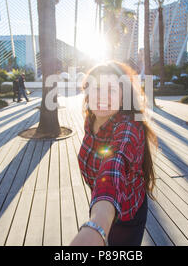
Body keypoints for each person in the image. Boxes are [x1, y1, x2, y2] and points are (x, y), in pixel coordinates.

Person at [70, 60, 157, 246]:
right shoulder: (91, 120)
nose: (102, 96)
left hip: (127, 215)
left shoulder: (128, 127)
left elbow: (115, 162)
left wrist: (98, 223)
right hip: (100, 205)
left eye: (111, 90)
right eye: (97, 88)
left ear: (123, 97)